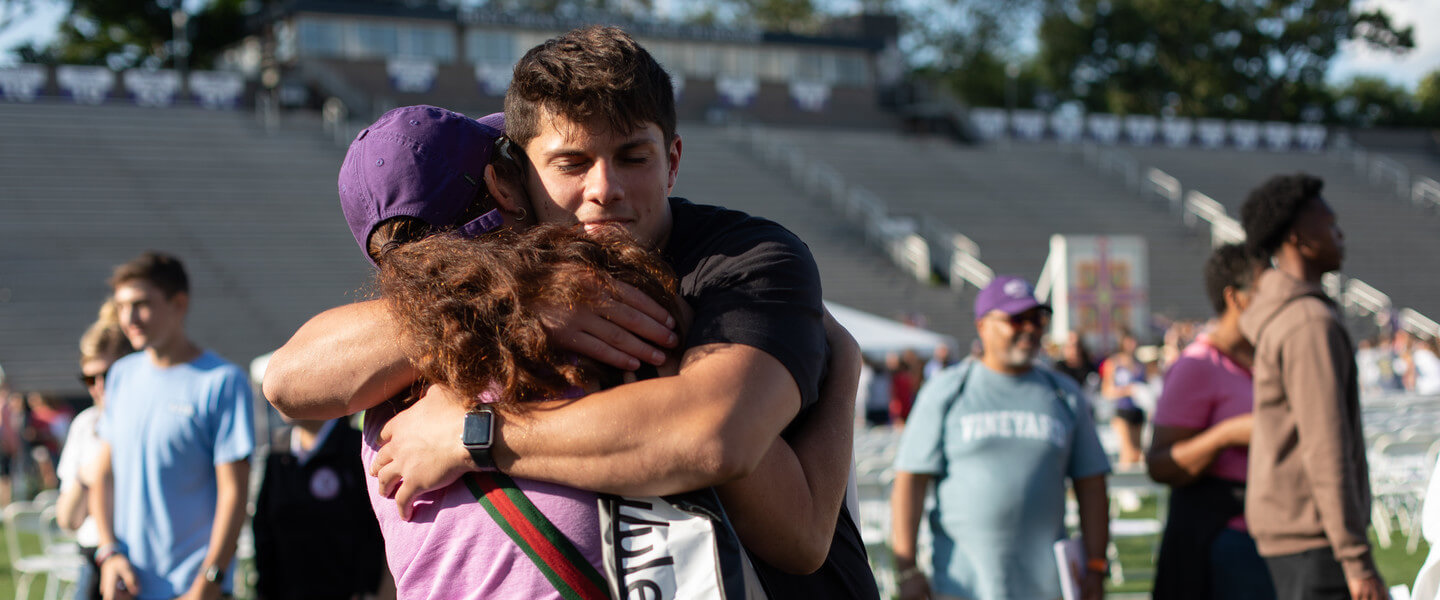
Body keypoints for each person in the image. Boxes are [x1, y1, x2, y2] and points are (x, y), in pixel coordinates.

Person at [267, 28, 878, 595]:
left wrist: (476, 435)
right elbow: (288, 379)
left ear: (672, 158)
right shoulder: (465, 319)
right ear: (512, 183)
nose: (603, 188)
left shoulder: (741, 258)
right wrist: (516, 299)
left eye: (632, 157)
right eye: (571, 163)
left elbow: (719, 439)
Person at [890, 275, 1111, 600]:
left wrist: (1095, 565)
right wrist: (907, 569)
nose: (1031, 328)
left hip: (1047, 589)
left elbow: (1091, 484)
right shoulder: (948, 390)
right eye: (1016, 319)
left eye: (1038, 318)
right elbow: (910, 481)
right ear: (982, 325)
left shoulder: (1064, 393)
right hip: (960, 587)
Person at [1238, 173, 1385, 600]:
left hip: (1298, 537)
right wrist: (1356, 560)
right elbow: (1325, 446)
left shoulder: (1293, 313)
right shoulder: (1308, 323)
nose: (1340, 234)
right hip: (1316, 540)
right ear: (1299, 237)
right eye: (1330, 223)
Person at [91, 252, 255, 600]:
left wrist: (208, 581)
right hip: (128, 586)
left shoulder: (222, 381)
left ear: (178, 304)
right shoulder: (120, 375)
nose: (129, 318)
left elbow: (235, 493)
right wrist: (108, 554)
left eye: (141, 304)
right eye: (121, 307)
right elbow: (103, 476)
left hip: (195, 590)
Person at [1148, 244, 1275, 600]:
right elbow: (1160, 464)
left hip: (1277, 533)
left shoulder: (1269, 357)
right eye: (1266, 289)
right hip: (1229, 538)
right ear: (1235, 298)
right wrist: (1226, 435)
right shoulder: (1198, 365)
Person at [253, 413, 389, 600]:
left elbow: (379, 533)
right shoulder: (278, 451)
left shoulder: (359, 448)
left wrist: (370, 589)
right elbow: (263, 533)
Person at [56, 299, 135, 600]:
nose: (99, 386)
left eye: (108, 375)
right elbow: (68, 520)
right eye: (90, 378)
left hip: (138, 557)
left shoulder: (147, 422)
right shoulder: (85, 424)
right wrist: (87, 476)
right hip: (94, 556)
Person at [1101, 329, 1147, 467]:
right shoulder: (1114, 363)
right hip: (1122, 411)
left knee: (1139, 453)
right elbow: (1106, 391)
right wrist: (1126, 390)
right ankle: (1123, 486)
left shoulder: (1140, 364)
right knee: (1128, 451)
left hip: (1138, 410)